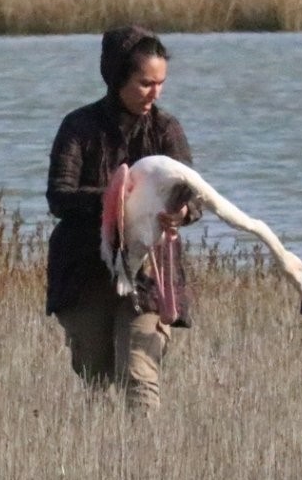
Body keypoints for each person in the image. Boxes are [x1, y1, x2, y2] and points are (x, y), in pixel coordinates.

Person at [45, 25, 202, 411]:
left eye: (161, 83)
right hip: (85, 268)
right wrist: (121, 201)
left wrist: (179, 213)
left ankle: (146, 463)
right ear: (117, 79)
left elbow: (193, 197)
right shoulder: (78, 127)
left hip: (150, 270)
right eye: (145, 83)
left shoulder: (167, 129)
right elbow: (60, 197)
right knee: (96, 377)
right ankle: (104, 459)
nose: (155, 92)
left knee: (139, 373)